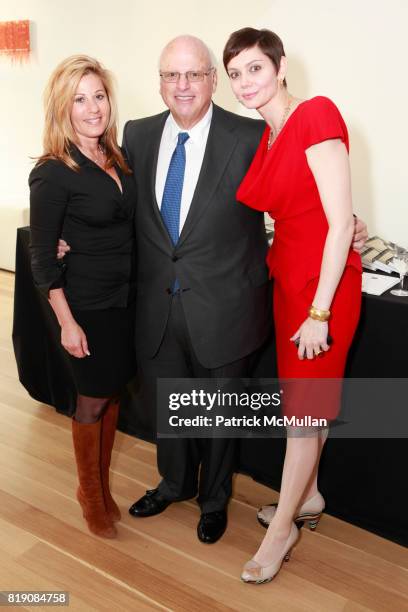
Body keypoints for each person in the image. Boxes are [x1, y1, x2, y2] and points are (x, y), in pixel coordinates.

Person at [119, 35, 366, 545]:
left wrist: (351, 226)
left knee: (224, 410)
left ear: (212, 80)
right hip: (160, 304)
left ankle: (215, 502)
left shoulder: (253, 133)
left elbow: (313, 196)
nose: (182, 85)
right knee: (173, 406)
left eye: (196, 74)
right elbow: (122, 210)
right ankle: (174, 482)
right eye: (171, 75)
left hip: (228, 303)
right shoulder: (137, 135)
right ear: (160, 82)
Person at [223, 27, 362, 582]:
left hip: (322, 291)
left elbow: (337, 223)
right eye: (234, 74)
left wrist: (320, 311)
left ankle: (281, 531)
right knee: (307, 404)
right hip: (289, 283)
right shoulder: (270, 135)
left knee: (303, 415)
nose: (243, 82)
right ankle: (309, 496)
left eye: (254, 68)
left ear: (280, 67)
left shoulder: (315, 113)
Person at [29, 55, 137, 539]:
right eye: (79, 99)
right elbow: (41, 259)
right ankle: (89, 494)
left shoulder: (116, 156)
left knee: (111, 393)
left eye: (98, 95)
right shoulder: (54, 171)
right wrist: (67, 323)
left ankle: (104, 486)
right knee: (91, 401)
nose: (92, 107)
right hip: (83, 304)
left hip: (123, 299)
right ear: (63, 107)